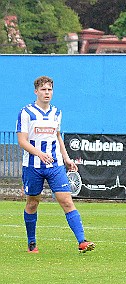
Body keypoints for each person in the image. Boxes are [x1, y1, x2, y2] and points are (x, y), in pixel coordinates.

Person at [16, 76, 94, 254]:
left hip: (55, 165)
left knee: (66, 201)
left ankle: (82, 241)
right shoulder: (26, 113)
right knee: (32, 204)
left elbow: (57, 136)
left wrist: (66, 158)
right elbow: (22, 140)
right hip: (33, 166)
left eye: (49, 90)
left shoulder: (56, 113)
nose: (47, 93)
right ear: (36, 91)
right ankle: (31, 243)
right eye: (43, 90)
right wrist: (39, 154)